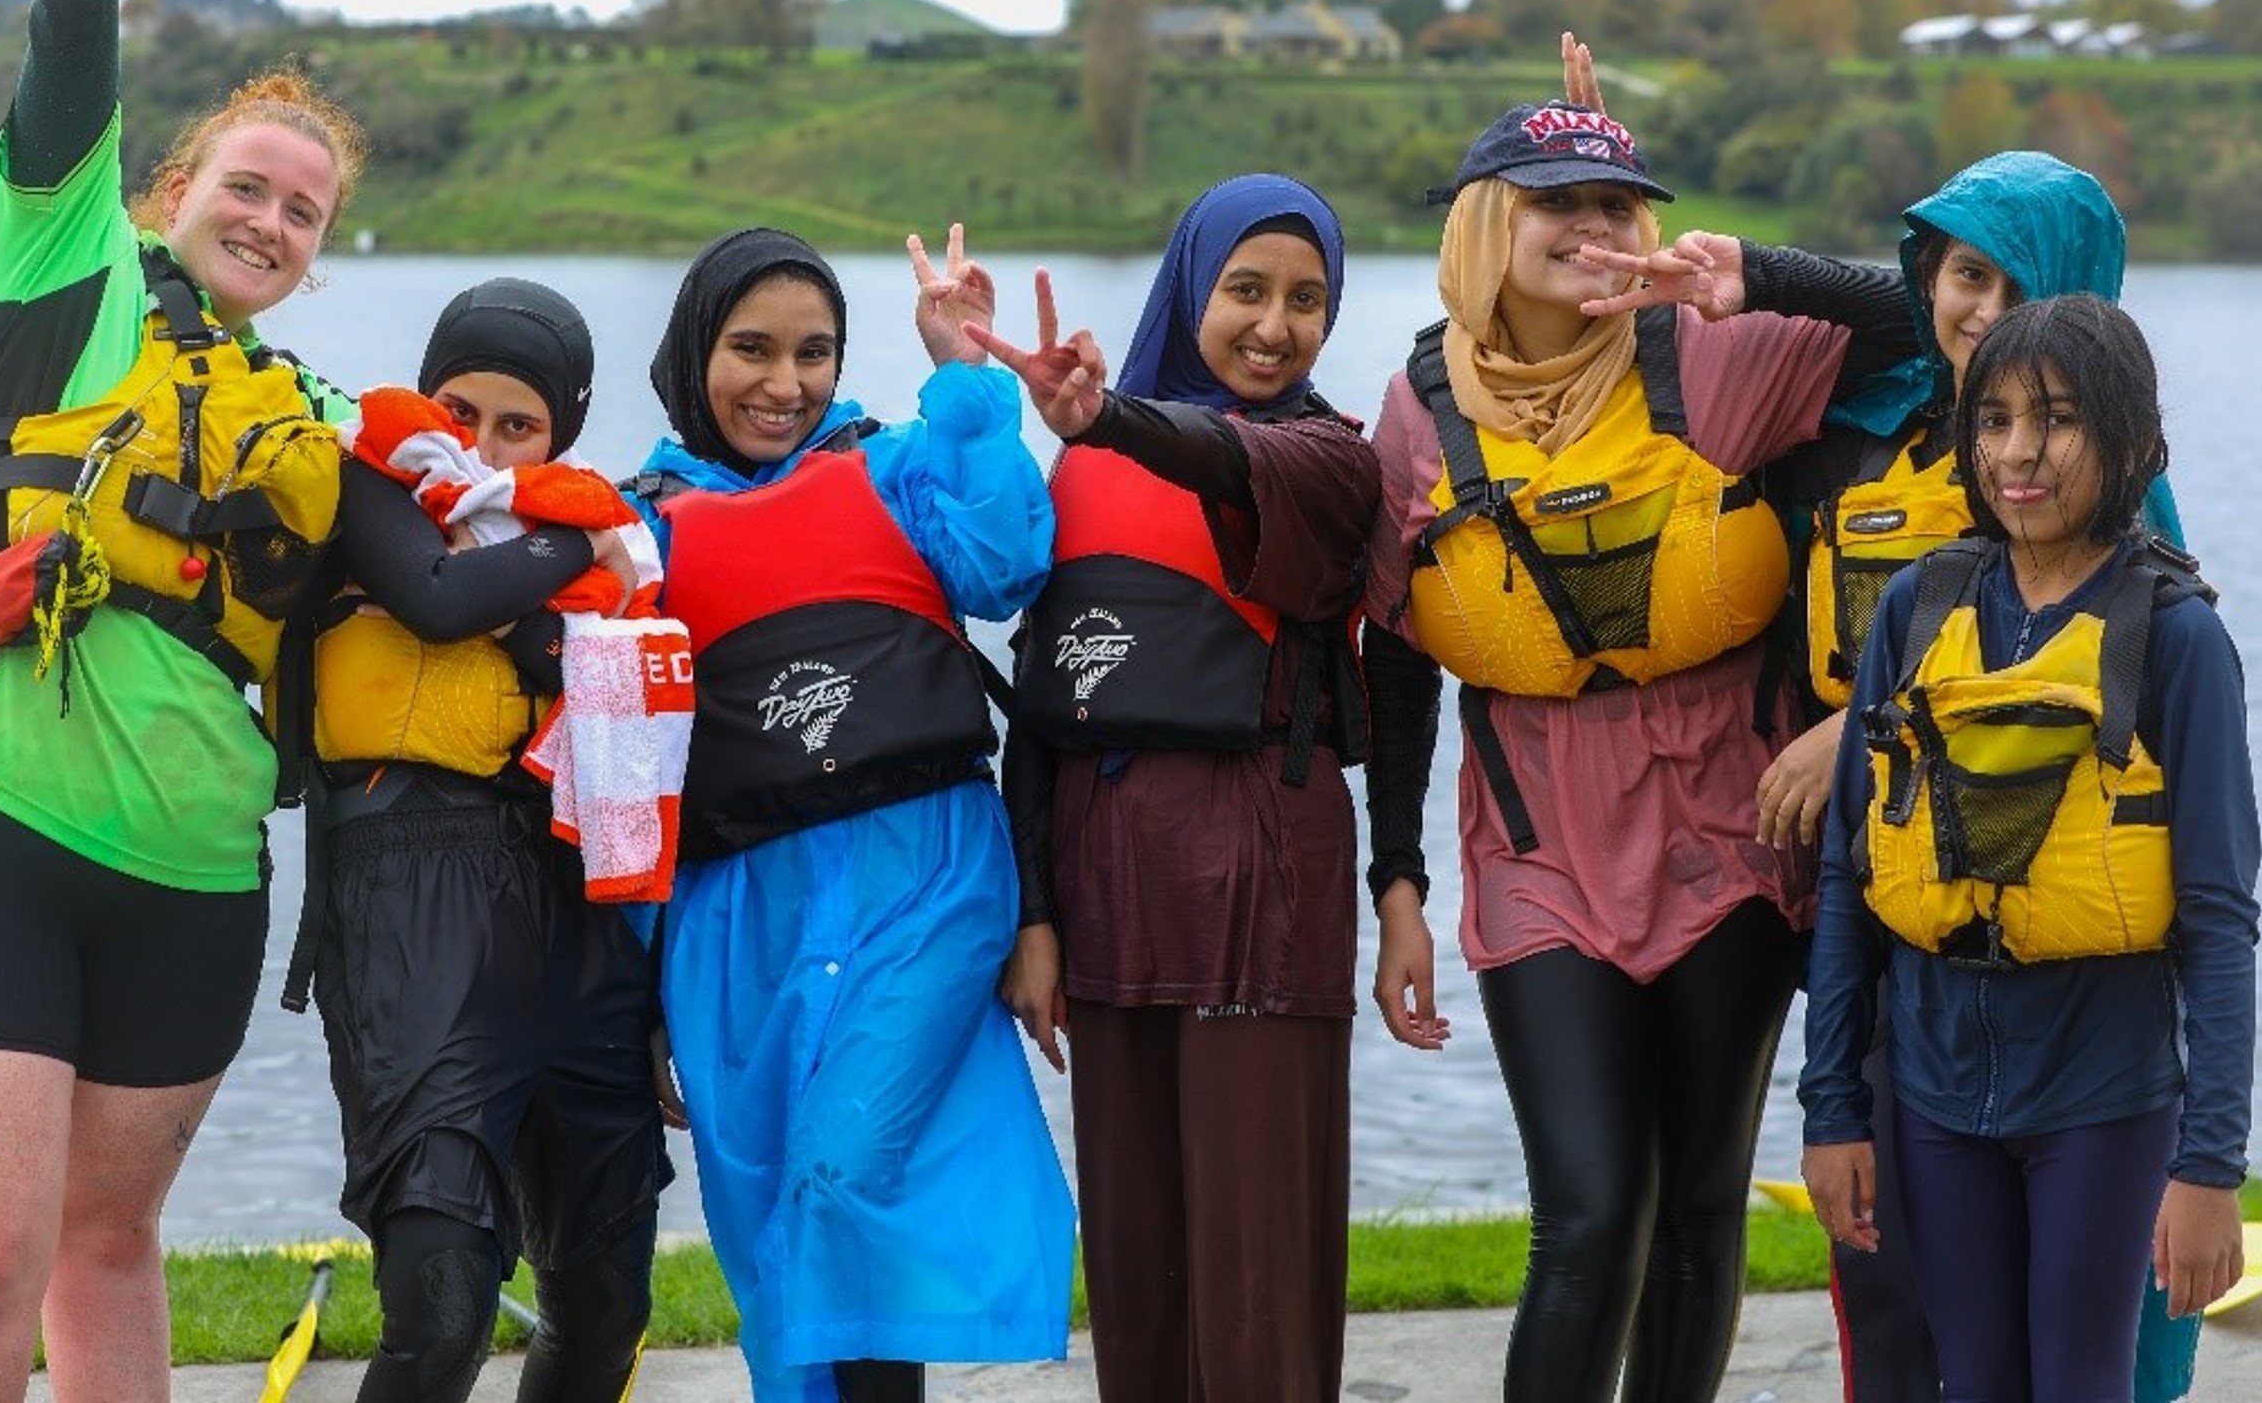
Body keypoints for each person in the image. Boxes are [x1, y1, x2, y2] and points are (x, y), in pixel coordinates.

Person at [0, 0, 365, 1401]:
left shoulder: (307, 420)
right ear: (171, 190)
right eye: (248, 184)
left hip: (199, 874)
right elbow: (74, 21)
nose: (272, 219)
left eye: (305, 210)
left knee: (106, 1250)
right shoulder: (56, 255)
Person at [1597, 148, 2198, 1402]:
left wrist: (1854, 729)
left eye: (2012, 284)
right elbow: (1880, 313)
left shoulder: (2136, 514)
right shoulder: (1862, 414)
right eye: (1958, 275)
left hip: (2071, 982)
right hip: (1880, 925)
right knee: (1888, 1272)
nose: (1976, 310)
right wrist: (1737, 265)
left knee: (2071, 1324)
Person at [1358, 90, 1917, 1403]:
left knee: (1699, 1197)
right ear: (1489, 225)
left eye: (1617, 203)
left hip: (1735, 834)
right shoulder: (1414, 414)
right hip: (1541, 852)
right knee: (1592, 1206)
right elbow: (1393, 662)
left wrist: (1753, 272)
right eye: (1557, 201)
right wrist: (1397, 885)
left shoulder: (1716, 359)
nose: (1594, 227)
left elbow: (1932, 321)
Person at [624, 225, 1074, 1403]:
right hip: (736, 920)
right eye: (752, 350)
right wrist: (644, 988)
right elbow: (625, 773)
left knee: (844, 1169)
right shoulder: (641, 527)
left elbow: (1006, 566)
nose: (785, 384)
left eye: (813, 352)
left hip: (921, 885)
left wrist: (965, 378)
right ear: (692, 352)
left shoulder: (904, 462)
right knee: (774, 1219)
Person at [975, 174, 1394, 1402]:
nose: (1275, 325)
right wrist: (1035, 916)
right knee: (1139, 1261)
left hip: (1257, 884)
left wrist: (1105, 417)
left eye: (1307, 300)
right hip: (1108, 891)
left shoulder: (1324, 458)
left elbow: (1215, 450)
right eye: (1247, 292)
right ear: (1190, 289)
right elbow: (1042, 719)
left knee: (1255, 1274)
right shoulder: (1081, 477)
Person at [1799, 295, 2259, 1399]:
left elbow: (2218, 918)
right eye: (1992, 419)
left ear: (2129, 442)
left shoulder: (2175, 639)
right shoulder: (1916, 608)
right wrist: (1831, 1108)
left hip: (2101, 1097)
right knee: (1975, 1381)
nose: (2016, 453)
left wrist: (2209, 1167)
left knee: (2076, 1382)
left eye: (2054, 420)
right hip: (1929, 1089)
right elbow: (1845, 881)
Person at [297, 278, 674, 1402]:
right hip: (404, 883)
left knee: (607, 1303)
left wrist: (539, 589)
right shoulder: (368, 479)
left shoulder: (587, 522)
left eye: (521, 428)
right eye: (458, 412)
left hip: (567, 907)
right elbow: (437, 602)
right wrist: (570, 549)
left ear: (558, 430)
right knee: (444, 1299)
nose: (478, 446)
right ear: (425, 397)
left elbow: (592, 684)